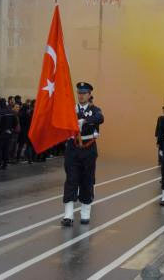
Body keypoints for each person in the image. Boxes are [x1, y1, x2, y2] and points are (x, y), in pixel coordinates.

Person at [62, 82, 104, 227]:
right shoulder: (70, 109)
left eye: (84, 93)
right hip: (72, 148)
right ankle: (68, 215)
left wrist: (84, 121)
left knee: (87, 180)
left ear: (89, 95)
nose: (81, 95)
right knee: (71, 179)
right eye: (79, 93)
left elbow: (100, 118)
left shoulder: (95, 110)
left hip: (88, 149)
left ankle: (85, 213)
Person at [0, 99, 18, 169]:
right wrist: (11, 129)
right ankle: (5, 164)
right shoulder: (11, 111)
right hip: (8, 133)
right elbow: (15, 122)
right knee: (6, 149)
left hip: (0, 133)